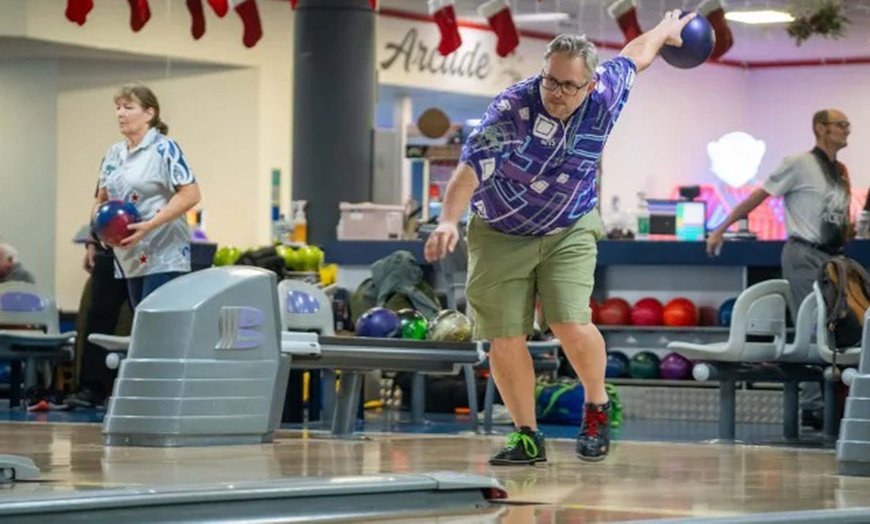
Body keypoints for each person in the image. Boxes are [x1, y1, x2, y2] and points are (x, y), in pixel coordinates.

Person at [424, 11, 696, 465]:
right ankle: (528, 437)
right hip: (499, 230)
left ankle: (596, 405)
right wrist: (448, 221)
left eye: (570, 85)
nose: (558, 93)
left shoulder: (606, 94)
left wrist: (663, 33)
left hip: (568, 224)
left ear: (590, 85)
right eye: (551, 81)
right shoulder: (512, 110)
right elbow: (468, 170)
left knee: (569, 320)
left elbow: (634, 55)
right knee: (504, 336)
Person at [707, 108, 852, 428]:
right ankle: (812, 406)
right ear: (821, 129)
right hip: (804, 254)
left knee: (835, 330)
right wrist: (721, 228)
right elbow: (758, 197)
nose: (847, 131)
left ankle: (833, 402)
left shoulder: (840, 170)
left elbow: (839, 218)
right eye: (840, 125)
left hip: (833, 258)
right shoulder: (799, 163)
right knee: (812, 327)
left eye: (847, 125)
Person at [92, 83, 201, 309]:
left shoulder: (165, 148)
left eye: (129, 107)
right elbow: (101, 198)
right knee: (140, 325)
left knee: (156, 327)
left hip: (164, 254)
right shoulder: (113, 153)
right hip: (130, 255)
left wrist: (150, 225)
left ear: (149, 113)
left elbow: (191, 194)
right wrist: (98, 232)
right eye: (118, 107)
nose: (121, 113)